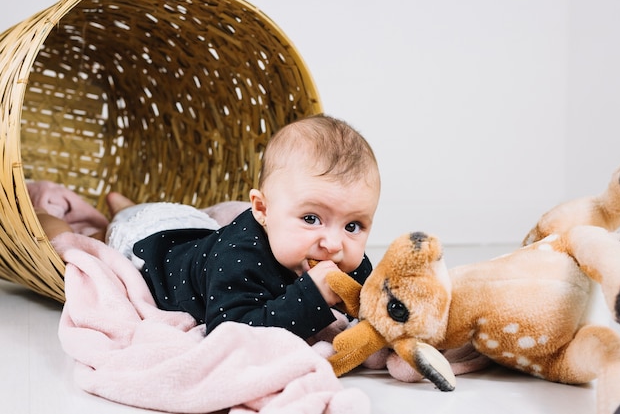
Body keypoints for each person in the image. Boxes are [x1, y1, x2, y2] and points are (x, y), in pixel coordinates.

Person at [40, 114, 381, 341]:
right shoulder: (240, 258)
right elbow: (231, 331)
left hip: (196, 228)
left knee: (153, 217)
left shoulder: (340, 257)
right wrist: (310, 298)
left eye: (354, 225)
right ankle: (70, 216)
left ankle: (123, 204)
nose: (335, 243)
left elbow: (373, 298)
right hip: (150, 244)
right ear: (261, 209)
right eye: (311, 219)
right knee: (91, 240)